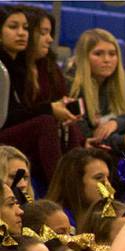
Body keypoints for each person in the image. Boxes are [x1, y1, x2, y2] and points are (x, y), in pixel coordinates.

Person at [0, 6, 78, 187]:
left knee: (64, 124)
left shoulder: (18, 65)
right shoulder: (3, 67)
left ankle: (76, 184)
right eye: (13, 27)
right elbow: (7, 117)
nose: (21, 33)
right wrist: (49, 109)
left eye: (25, 28)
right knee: (45, 122)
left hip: (11, 132)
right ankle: (60, 189)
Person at [69, 29, 125, 156]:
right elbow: (83, 134)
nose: (107, 60)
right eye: (98, 54)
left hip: (113, 140)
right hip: (88, 148)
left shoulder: (123, 80)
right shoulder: (72, 83)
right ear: (84, 57)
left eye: (112, 54)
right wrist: (122, 142)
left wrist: (116, 123)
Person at [24, 8, 84, 156]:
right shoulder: (12, 66)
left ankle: (78, 163)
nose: (50, 40)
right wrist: (51, 109)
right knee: (47, 122)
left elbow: (61, 99)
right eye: (43, 33)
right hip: (21, 132)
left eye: (50, 33)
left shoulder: (50, 66)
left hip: (47, 133)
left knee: (68, 124)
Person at [46, 147, 116, 228]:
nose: (108, 186)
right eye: (99, 178)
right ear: (75, 181)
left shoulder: (109, 219)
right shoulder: (55, 224)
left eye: (108, 178)